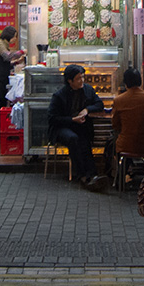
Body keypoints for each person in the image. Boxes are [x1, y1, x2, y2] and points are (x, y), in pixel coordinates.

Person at [48, 64, 109, 192]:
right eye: (78, 78)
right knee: (73, 138)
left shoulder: (87, 90)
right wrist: (72, 119)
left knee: (84, 140)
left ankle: (92, 174)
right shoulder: (59, 96)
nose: (81, 81)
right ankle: (82, 175)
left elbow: (99, 104)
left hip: (80, 127)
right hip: (63, 127)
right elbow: (52, 118)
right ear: (70, 81)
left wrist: (87, 110)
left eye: (82, 77)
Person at [111, 67, 144, 160]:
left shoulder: (118, 100)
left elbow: (115, 125)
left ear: (125, 83)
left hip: (126, 146)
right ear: (140, 81)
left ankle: (123, 173)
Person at [0, 26, 25, 145]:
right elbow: (8, 56)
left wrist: (17, 62)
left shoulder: (4, 45)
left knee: (0, 107)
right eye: (14, 37)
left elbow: (7, 62)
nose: (15, 40)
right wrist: (22, 52)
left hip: (1, 81)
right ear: (10, 35)